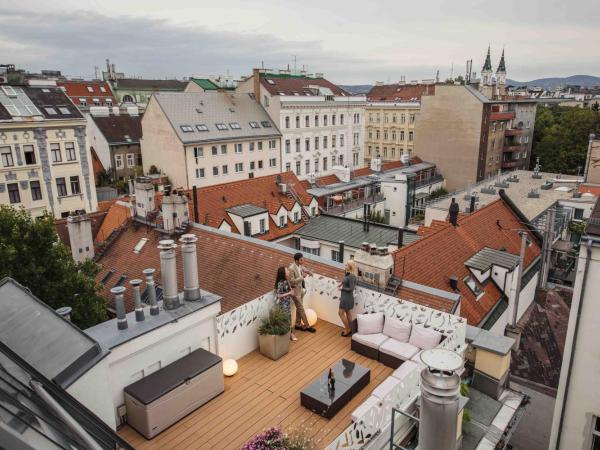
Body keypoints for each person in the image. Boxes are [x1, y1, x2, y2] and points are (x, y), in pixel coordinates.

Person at [288, 252, 315, 333]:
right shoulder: (291, 268)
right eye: (301, 260)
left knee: (299, 308)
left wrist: (309, 272)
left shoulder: (299, 265)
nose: (303, 261)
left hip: (301, 289)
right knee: (301, 308)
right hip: (295, 290)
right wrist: (302, 277)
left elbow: (303, 268)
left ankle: (297, 324)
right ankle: (307, 325)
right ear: (296, 260)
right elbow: (292, 281)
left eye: (303, 259)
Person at [275, 266, 297, 341]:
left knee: (288, 319)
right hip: (283, 305)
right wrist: (289, 293)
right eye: (286, 270)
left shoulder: (286, 281)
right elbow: (279, 295)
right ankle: (288, 335)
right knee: (285, 320)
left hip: (287, 304)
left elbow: (288, 291)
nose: (288, 271)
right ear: (283, 273)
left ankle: (290, 334)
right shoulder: (281, 283)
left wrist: (291, 292)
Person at [338, 260, 357, 337]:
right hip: (345, 296)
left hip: (347, 298)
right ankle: (351, 329)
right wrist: (341, 284)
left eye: (346, 265)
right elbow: (345, 281)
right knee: (348, 312)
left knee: (340, 313)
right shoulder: (347, 274)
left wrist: (342, 289)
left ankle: (347, 329)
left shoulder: (352, 276)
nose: (345, 266)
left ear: (350, 267)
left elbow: (351, 288)